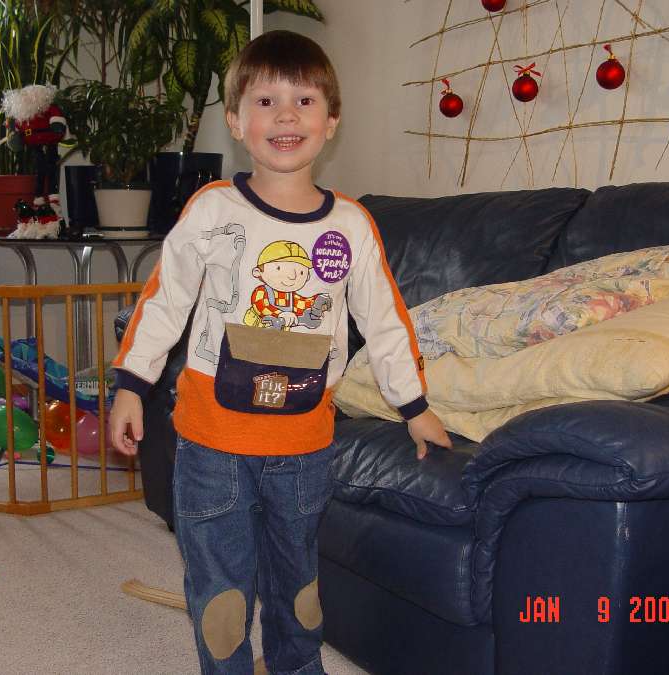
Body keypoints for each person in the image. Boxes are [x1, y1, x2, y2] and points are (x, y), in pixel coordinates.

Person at [110, 29, 451, 675]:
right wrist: (132, 383)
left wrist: (414, 406)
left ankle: (297, 666)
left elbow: (384, 319)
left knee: (298, 583)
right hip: (211, 442)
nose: (286, 116)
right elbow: (166, 299)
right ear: (237, 121)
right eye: (266, 101)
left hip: (303, 444)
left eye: (304, 100)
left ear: (331, 121)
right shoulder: (213, 209)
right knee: (221, 588)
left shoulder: (350, 225)